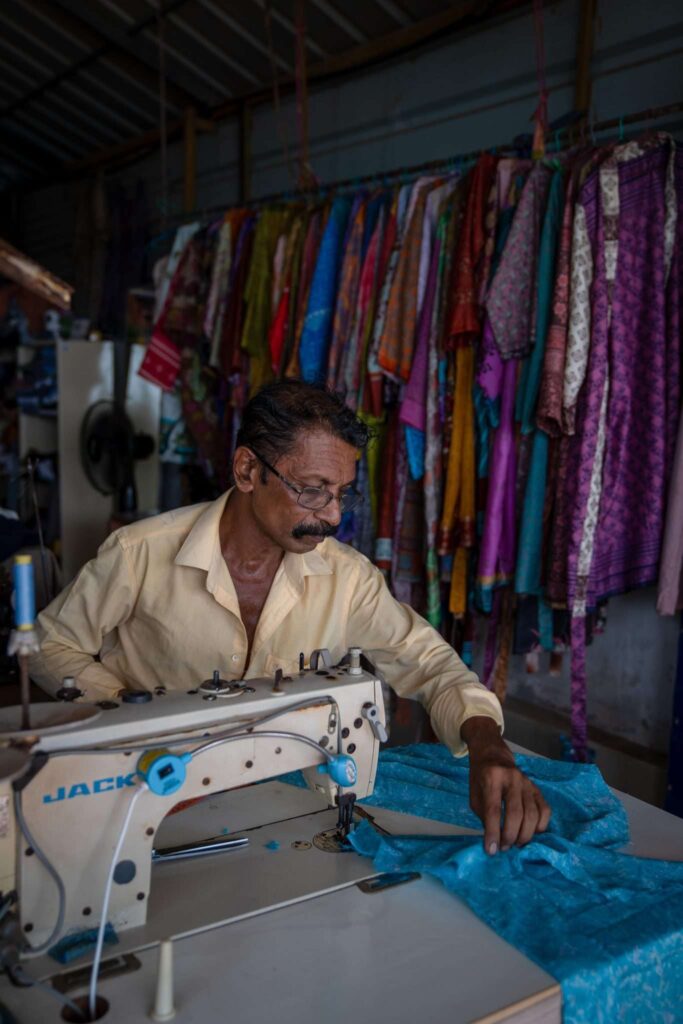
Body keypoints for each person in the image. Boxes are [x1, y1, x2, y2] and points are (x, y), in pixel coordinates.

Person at [30, 380, 550, 854]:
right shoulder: (140, 554)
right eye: (312, 490)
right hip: (150, 799)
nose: (333, 515)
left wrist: (487, 745)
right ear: (247, 471)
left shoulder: (347, 580)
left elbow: (430, 663)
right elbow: (50, 644)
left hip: (276, 812)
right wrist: (130, 709)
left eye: (342, 493)